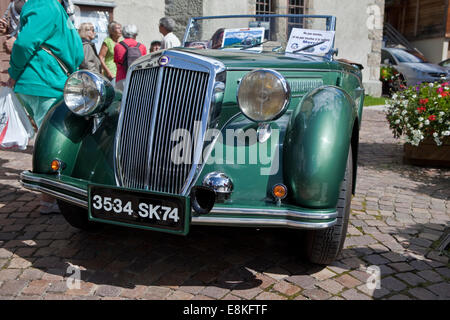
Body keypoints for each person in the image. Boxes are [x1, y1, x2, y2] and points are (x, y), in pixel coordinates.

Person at [7, 0, 84, 215]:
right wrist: (14, 72)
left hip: (47, 81)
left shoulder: (50, 6)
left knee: (49, 137)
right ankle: (49, 199)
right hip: (45, 82)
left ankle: (49, 198)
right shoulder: (45, 4)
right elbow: (24, 43)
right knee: (52, 140)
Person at [114, 24, 147, 91]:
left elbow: (116, 62)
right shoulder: (142, 47)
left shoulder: (118, 46)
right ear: (135, 34)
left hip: (121, 79)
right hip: (138, 79)